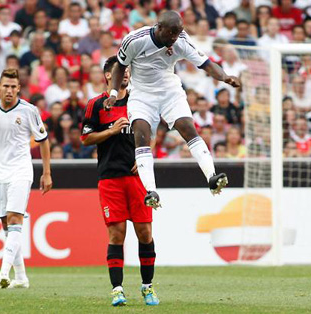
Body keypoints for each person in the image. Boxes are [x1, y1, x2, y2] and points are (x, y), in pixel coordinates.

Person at [104, 11, 241, 208]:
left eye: (178, 33)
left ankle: (212, 177)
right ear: (159, 27)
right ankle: (151, 191)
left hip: (170, 92)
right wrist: (114, 93)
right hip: (142, 95)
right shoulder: (135, 40)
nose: (174, 38)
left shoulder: (181, 41)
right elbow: (120, 66)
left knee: (187, 127)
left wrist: (225, 77)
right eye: (171, 33)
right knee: (141, 134)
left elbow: (206, 64)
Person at [81, 56, 159, 306]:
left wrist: (146, 155)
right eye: (119, 71)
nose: (125, 74)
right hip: (110, 177)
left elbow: (151, 132)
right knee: (116, 234)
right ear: (107, 76)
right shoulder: (96, 104)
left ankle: (147, 287)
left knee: (144, 231)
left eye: (127, 71)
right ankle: (117, 289)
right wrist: (112, 130)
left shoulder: (139, 101)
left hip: (137, 177)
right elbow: (86, 138)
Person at [0, 69, 52, 289]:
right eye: (6, 86)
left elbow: (43, 140)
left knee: (15, 219)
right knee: (6, 224)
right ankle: (21, 277)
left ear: (19, 89)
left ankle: (4, 272)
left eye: (14, 87)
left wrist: (47, 172)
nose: (9, 90)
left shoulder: (29, 110)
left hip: (20, 171)